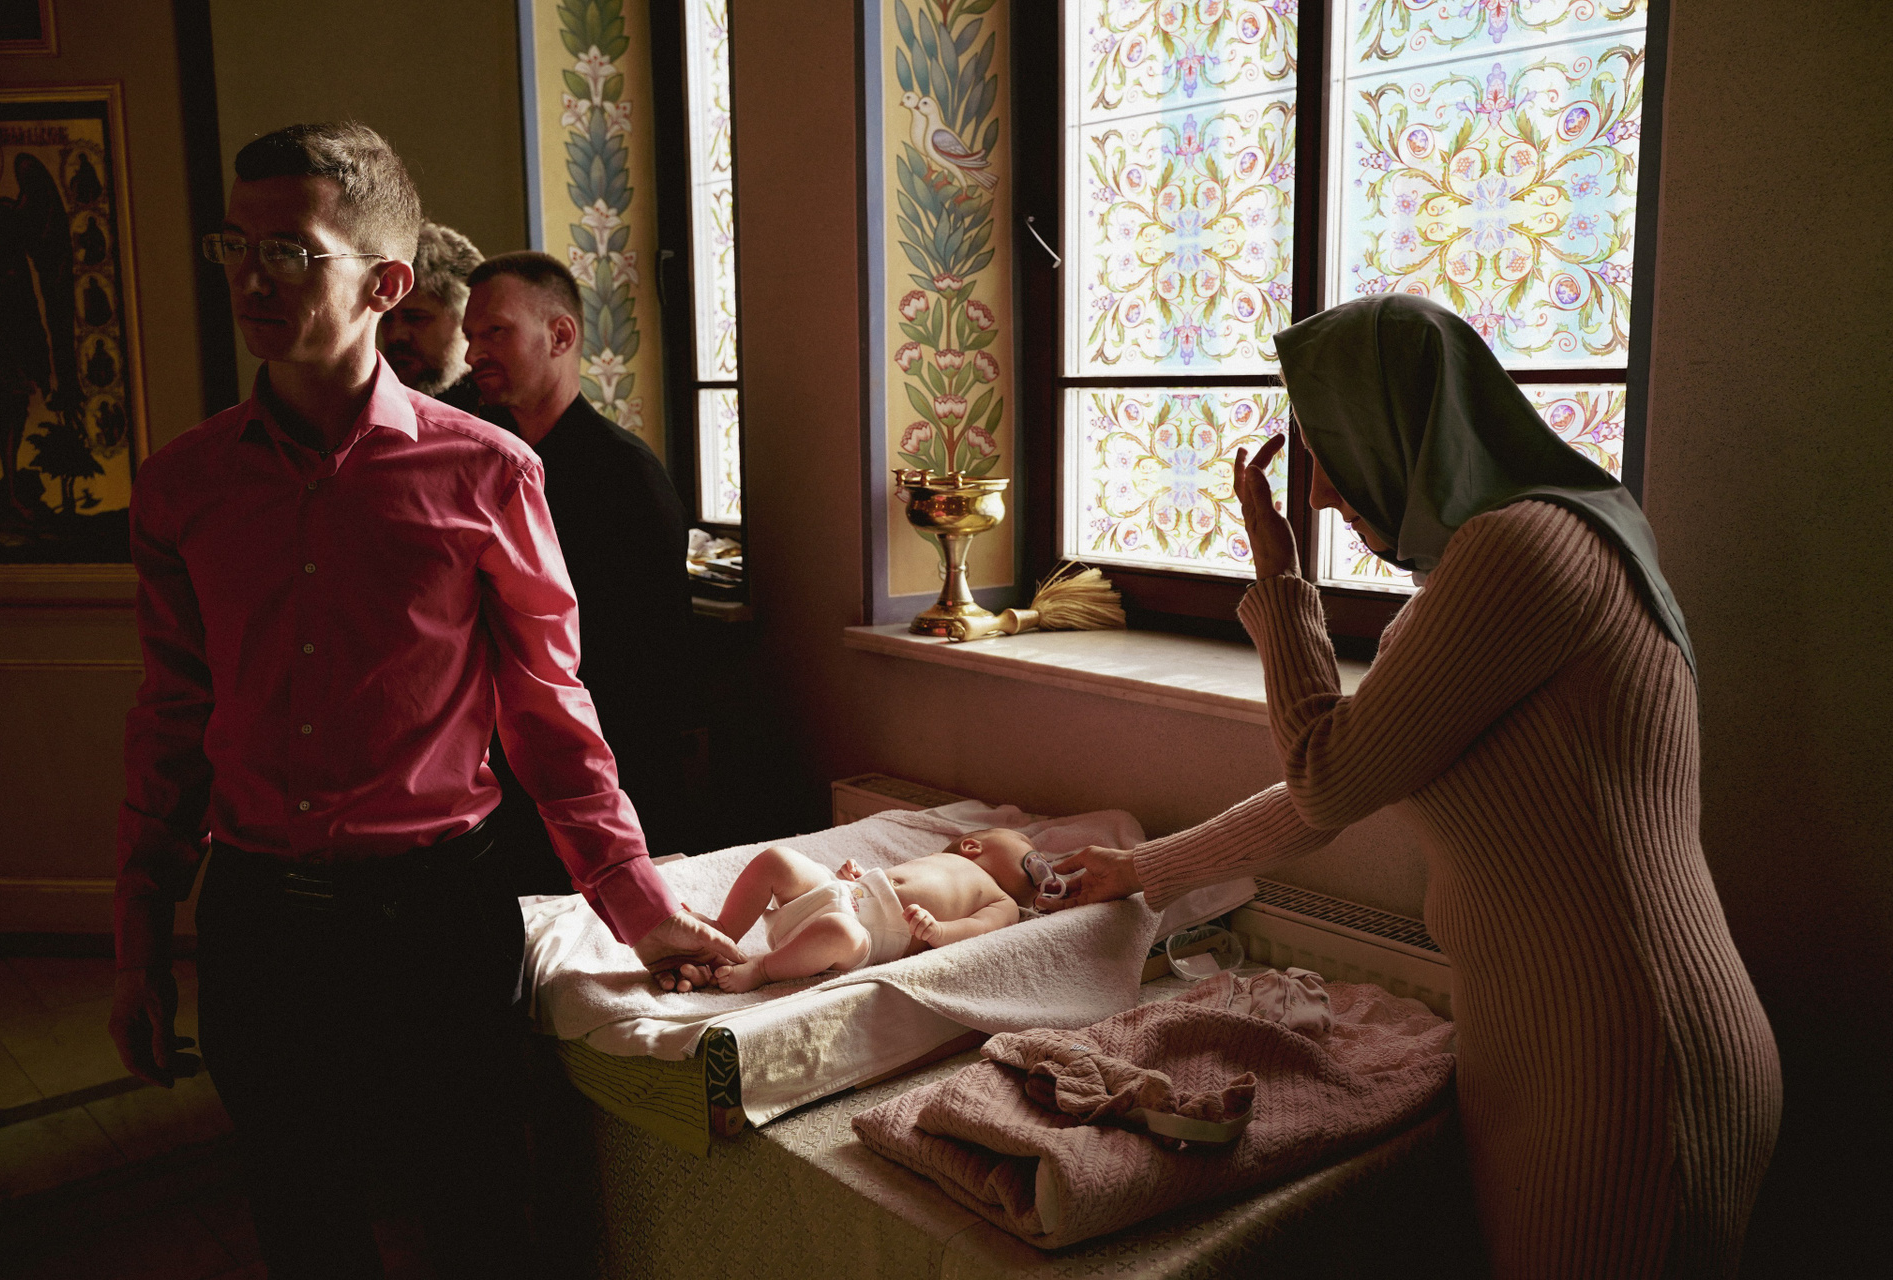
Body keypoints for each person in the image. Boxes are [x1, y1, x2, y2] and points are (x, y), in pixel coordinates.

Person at [106, 121, 740, 1280]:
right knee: (304, 1224)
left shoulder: (488, 471)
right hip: (258, 921)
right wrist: (139, 934)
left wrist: (635, 901)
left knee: (477, 1219)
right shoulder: (182, 484)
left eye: (288, 250)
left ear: (386, 283)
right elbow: (172, 718)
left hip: (437, 919)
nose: (250, 277)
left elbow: (551, 710)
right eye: (234, 245)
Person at [1041, 294, 1781, 1278]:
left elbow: (1326, 774)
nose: (1318, 494)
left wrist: (1281, 577)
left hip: (1625, 1053)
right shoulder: (1519, 548)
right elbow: (1333, 794)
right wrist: (1139, 869)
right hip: (1560, 1044)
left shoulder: (1525, 547)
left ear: (1401, 430)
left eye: (1327, 454)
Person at [462, 252, 694, 858]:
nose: (472, 353)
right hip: (500, 764)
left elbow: (648, 666)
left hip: (604, 769)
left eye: (495, 332)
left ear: (560, 335)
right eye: (469, 336)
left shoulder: (627, 477)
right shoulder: (486, 463)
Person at [667, 827, 1038, 994]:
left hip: (867, 937)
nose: (1041, 863)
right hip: (840, 892)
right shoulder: (945, 859)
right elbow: (892, 883)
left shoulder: (1004, 901)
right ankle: (721, 935)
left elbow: (981, 929)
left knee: (840, 932)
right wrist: (854, 879)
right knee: (776, 860)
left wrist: (940, 932)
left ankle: (761, 969)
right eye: (1028, 850)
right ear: (972, 846)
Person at [376, 219, 486, 413]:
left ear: (469, 318)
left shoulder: (508, 415)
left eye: (416, 318)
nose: (395, 335)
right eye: (386, 318)